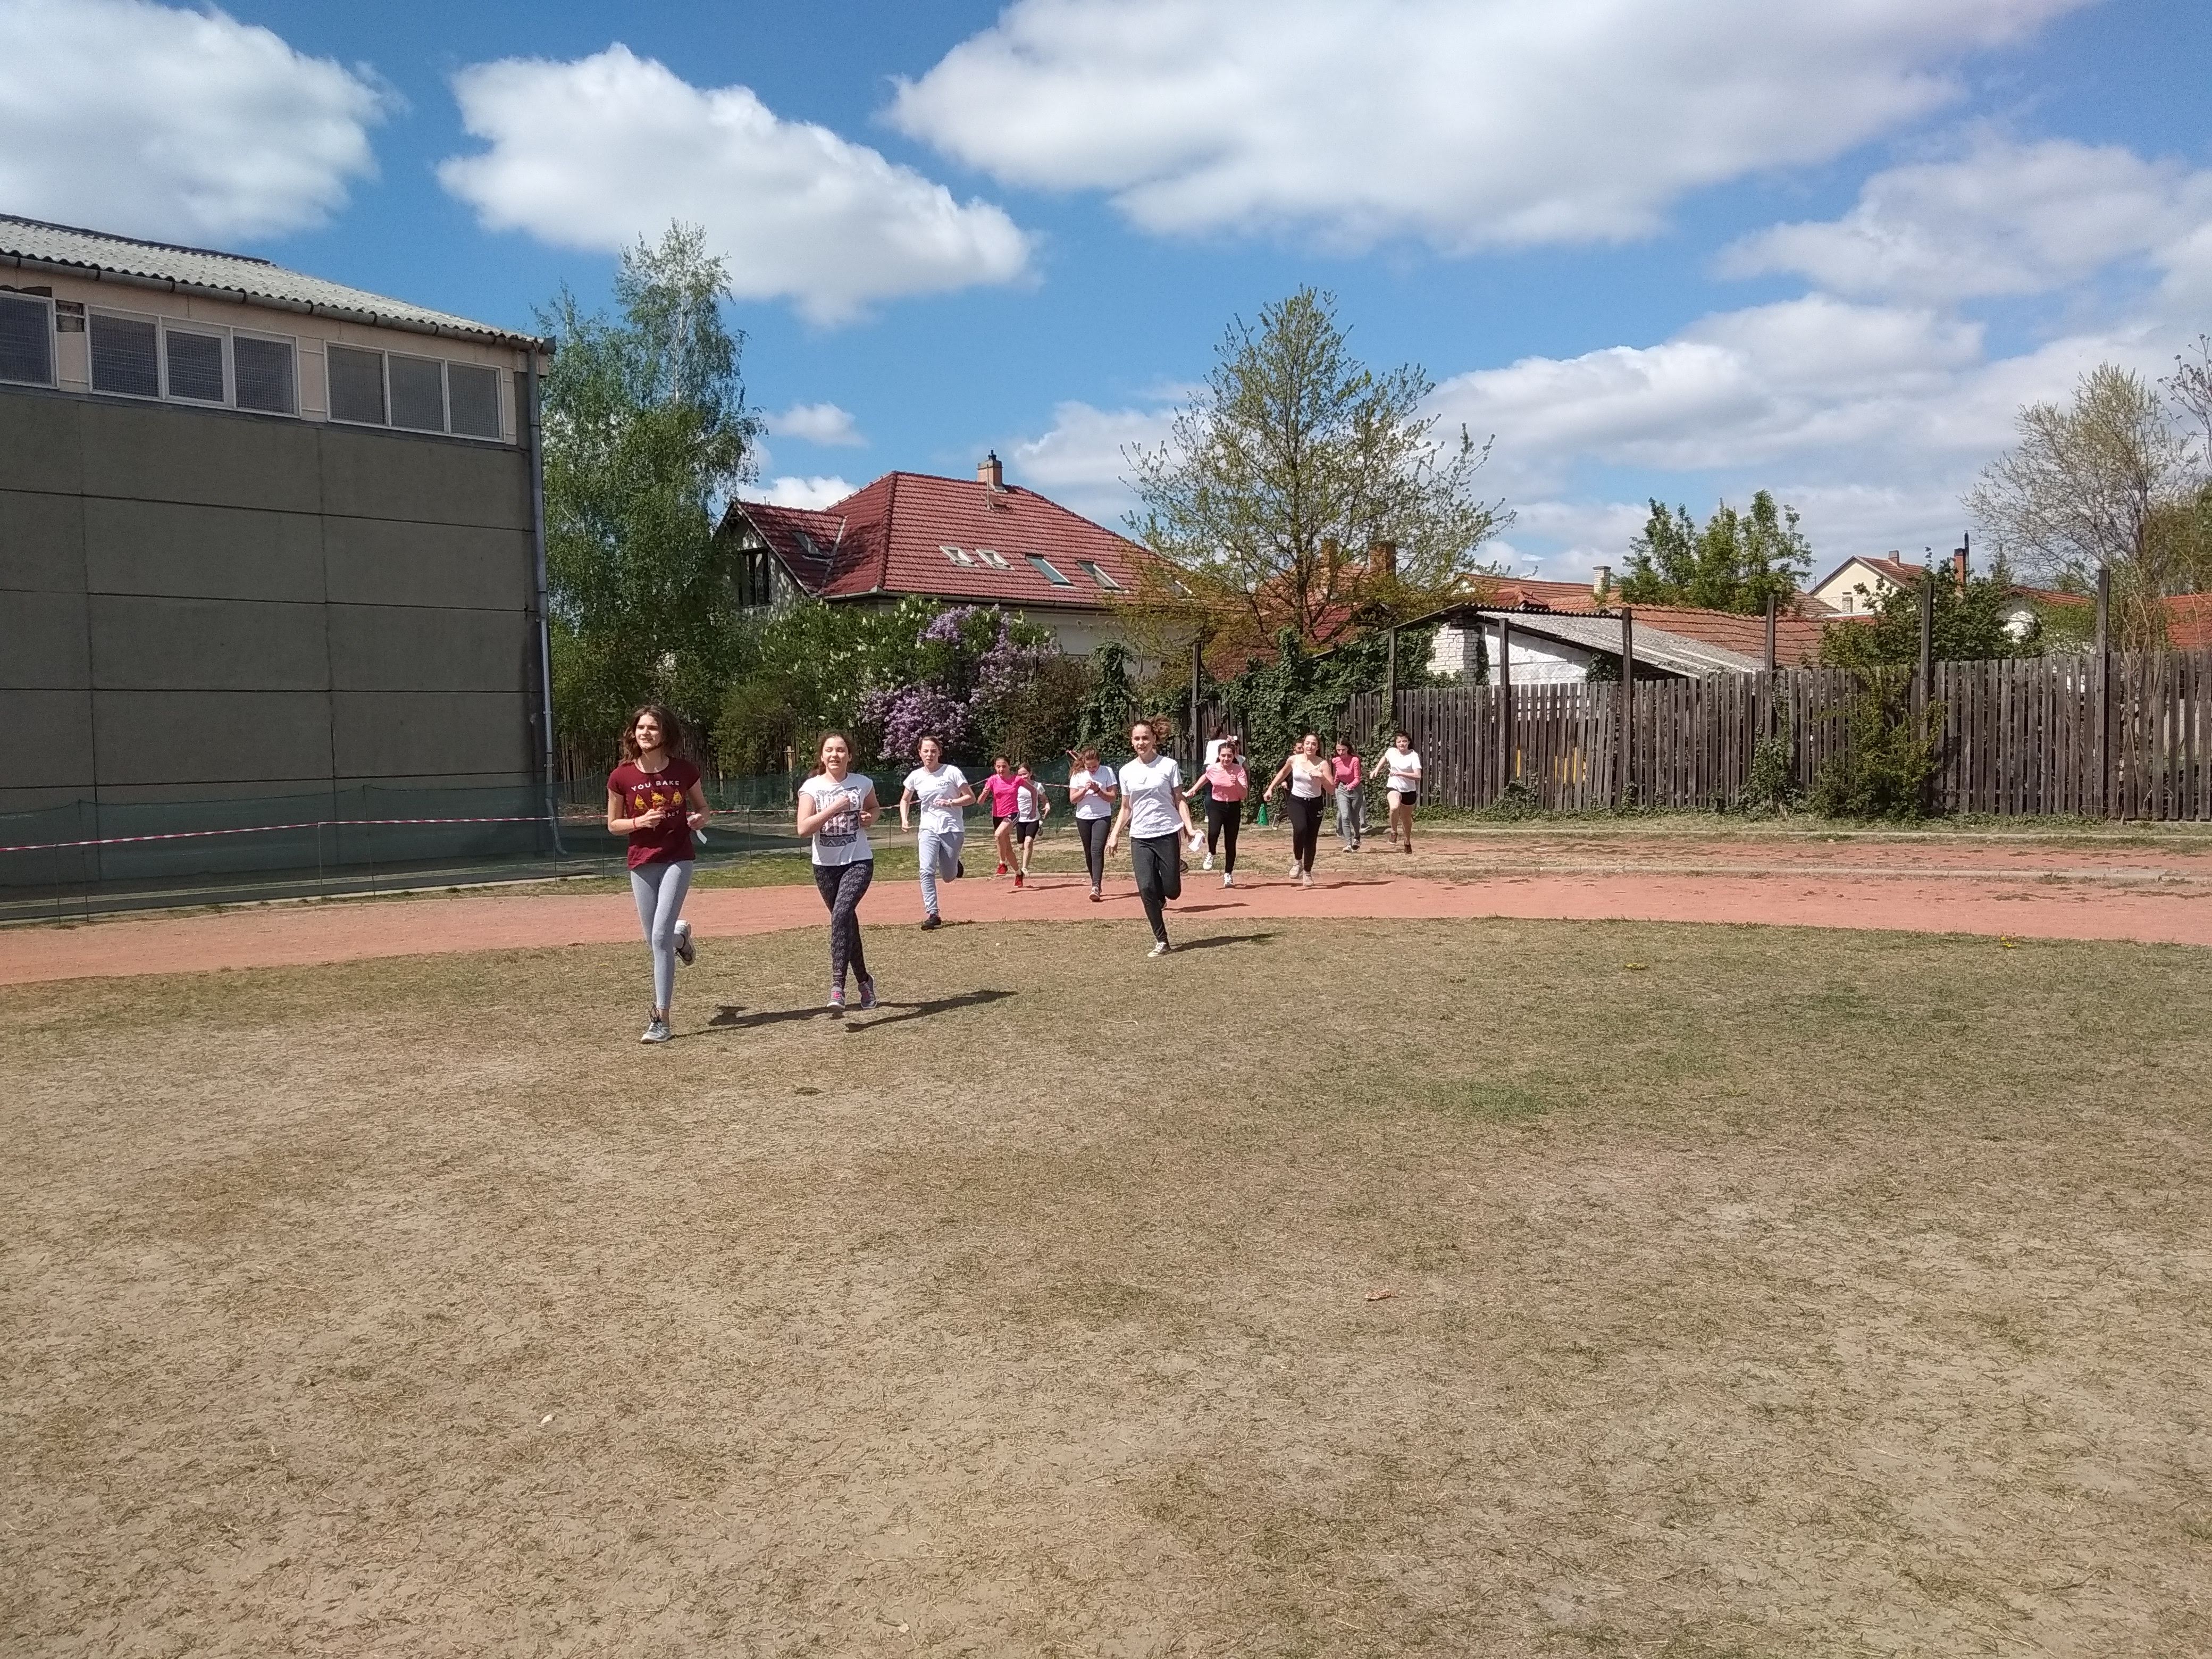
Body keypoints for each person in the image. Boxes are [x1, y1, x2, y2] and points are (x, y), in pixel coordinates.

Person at [606, 703, 708, 1044]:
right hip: (641, 861)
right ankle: (682, 940)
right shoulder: (621, 776)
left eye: (652, 727)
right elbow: (613, 825)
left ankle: (661, 1019)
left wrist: (700, 818)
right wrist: (639, 821)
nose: (645, 733)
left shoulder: (684, 770)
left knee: (659, 936)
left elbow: (703, 807)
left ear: (665, 733)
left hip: (678, 857)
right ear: (633, 733)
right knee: (656, 940)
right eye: (641, 728)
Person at [795, 733, 881, 1013]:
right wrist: (835, 808)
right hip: (825, 867)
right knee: (846, 922)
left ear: (849, 756)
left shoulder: (863, 783)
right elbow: (803, 828)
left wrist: (870, 817)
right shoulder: (811, 787)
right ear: (822, 756)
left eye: (841, 750)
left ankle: (837, 986)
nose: (835, 755)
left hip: (858, 861)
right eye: (829, 750)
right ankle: (865, 982)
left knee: (841, 915)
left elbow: (874, 808)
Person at [1107, 719, 1197, 957]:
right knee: (1146, 887)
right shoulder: (1126, 771)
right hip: (1140, 836)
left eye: (1145, 738)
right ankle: (1162, 941)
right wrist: (1114, 835)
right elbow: (1126, 807)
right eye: (1137, 739)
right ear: (1131, 741)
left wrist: (1189, 828)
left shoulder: (1168, 766)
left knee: (1172, 891)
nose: (1141, 743)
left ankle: (1171, 873)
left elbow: (1179, 799)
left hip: (1167, 832)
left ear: (1154, 739)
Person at [898, 734, 971, 929]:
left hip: (952, 828)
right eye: (926, 751)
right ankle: (933, 914)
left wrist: (951, 802)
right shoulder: (916, 776)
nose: (929, 755)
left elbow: (970, 797)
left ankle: (954, 864)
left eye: (933, 751)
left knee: (948, 877)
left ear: (939, 752)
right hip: (928, 828)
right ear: (920, 753)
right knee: (926, 870)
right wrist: (905, 819)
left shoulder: (952, 772)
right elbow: (905, 800)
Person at [1266, 732, 1335, 888]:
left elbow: (1332, 790)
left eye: (1314, 744)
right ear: (1303, 745)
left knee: (1311, 839)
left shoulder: (1323, 764)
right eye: (1308, 743)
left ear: (1318, 747)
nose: (1310, 746)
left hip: (1315, 804)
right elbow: (1283, 773)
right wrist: (1270, 788)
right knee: (1300, 828)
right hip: (1296, 801)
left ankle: (1307, 873)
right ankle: (1297, 861)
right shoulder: (1294, 759)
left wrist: (1322, 777)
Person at [1182, 734, 1249, 886]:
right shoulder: (1213, 768)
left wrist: (1237, 784)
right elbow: (1205, 778)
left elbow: (1244, 794)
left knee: (1230, 842)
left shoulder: (1239, 770)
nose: (1226, 759)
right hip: (1217, 806)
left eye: (1229, 756)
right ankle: (1211, 852)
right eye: (1223, 755)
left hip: (1233, 807)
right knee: (1213, 833)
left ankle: (1228, 874)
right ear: (1219, 756)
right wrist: (1194, 790)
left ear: (1234, 756)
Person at [1066, 746, 1118, 901]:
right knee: (1088, 852)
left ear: (1099, 762)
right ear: (1084, 764)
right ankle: (1094, 881)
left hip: (1102, 816)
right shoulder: (1078, 774)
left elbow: (1112, 797)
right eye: (1089, 767)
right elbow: (1073, 799)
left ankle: (1096, 886)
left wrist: (1098, 790)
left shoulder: (1107, 772)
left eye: (1095, 766)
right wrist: (1085, 790)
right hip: (1083, 817)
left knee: (1097, 850)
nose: (1093, 770)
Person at [1376, 731, 1423, 853]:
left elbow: (1418, 776)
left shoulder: (1413, 756)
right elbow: (1384, 758)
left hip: (1409, 790)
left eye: (1404, 741)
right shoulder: (1392, 752)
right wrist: (1376, 770)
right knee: (1394, 807)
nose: (1401, 744)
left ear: (1408, 742)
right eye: (1399, 742)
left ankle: (1407, 841)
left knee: (1406, 818)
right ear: (1396, 743)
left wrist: (1400, 773)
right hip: (1394, 786)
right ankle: (1394, 831)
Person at [974, 756, 1022, 876]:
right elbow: (980, 802)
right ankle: (1019, 873)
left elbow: (1033, 789)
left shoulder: (1016, 779)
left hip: (1012, 813)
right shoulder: (993, 780)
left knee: (998, 834)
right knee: (1008, 849)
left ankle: (1002, 864)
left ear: (1009, 766)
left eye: (1004, 766)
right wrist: (984, 793)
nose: (1001, 769)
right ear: (995, 767)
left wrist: (1040, 804)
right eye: (998, 767)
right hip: (997, 816)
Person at [1011, 761, 1050, 888]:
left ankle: (1024, 869)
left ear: (1031, 773)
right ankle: (1038, 828)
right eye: (1020, 775)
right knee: (1021, 846)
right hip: (1020, 820)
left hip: (1033, 818)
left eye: (1025, 774)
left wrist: (1047, 805)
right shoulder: (1017, 786)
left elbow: (1044, 799)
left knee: (1028, 843)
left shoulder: (1038, 786)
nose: (1023, 777)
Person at [1331, 738, 1365, 852]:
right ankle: (1349, 844)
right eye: (1339, 750)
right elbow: (1338, 774)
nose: (1341, 752)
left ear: (1348, 749)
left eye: (1343, 750)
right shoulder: (1336, 760)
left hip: (1355, 790)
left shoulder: (1355, 760)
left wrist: (1351, 786)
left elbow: (1357, 778)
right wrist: (1334, 785)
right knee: (1345, 816)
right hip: (1342, 789)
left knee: (1354, 818)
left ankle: (1357, 837)